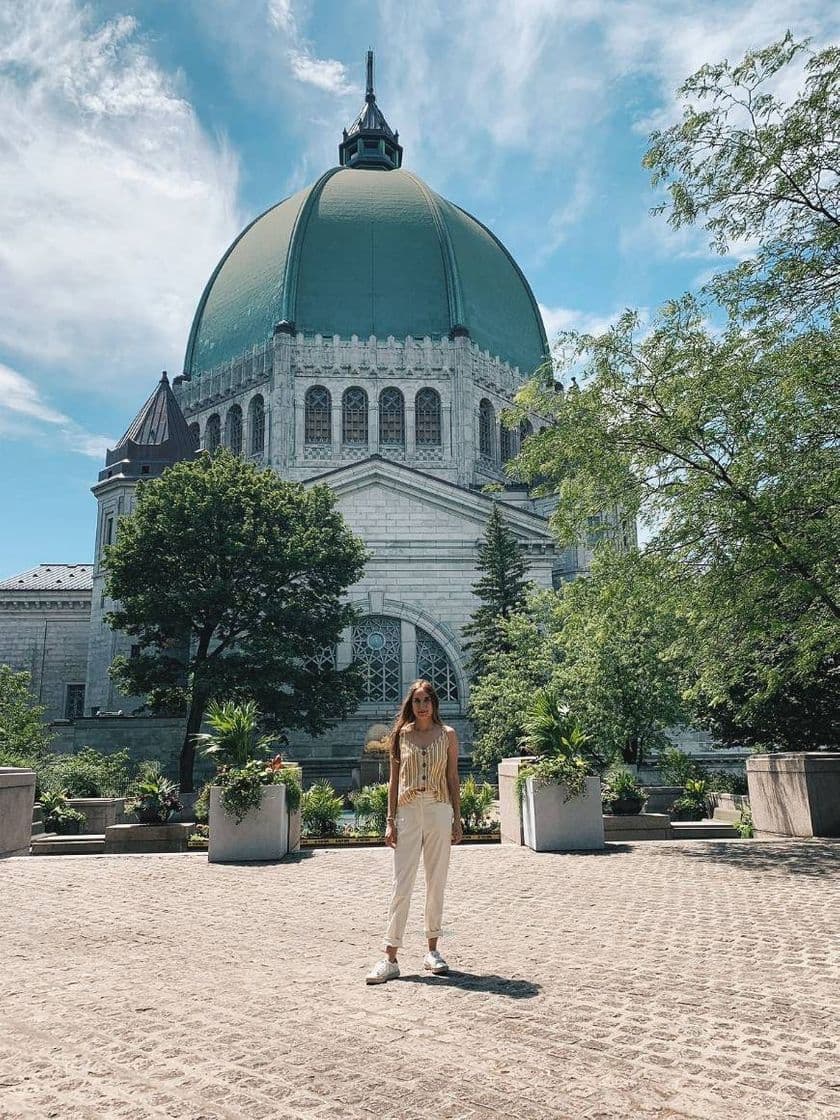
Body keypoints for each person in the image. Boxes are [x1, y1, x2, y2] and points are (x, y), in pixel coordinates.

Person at [366, 679, 463, 984]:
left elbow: (452, 777)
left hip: (438, 809)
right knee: (401, 884)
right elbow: (394, 782)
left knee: (436, 881)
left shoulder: (447, 736)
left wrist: (457, 818)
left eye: (426, 700)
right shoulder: (400, 736)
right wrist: (390, 819)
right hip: (408, 811)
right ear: (411, 705)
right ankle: (390, 957)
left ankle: (432, 951)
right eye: (417, 701)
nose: (422, 706)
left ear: (435, 704)